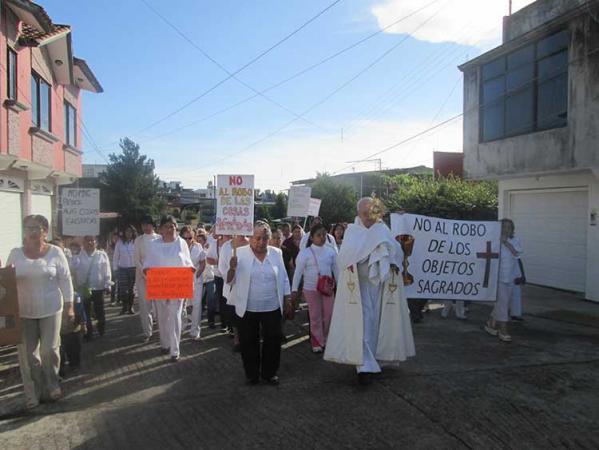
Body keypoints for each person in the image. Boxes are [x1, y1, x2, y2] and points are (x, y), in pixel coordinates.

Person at [324, 198, 415, 386]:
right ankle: (364, 367)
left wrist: (389, 256)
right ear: (358, 213)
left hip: (380, 287)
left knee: (377, 323)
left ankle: (374, 358)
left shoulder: (382, 229)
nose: (367, 217)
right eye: (364, 213)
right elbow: (345, 258)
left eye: (370, 212)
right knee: (362, 323)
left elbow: (396, 252)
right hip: (358, 287)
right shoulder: (353, 231)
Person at [7, 215, 74, 408]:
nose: (33, 231)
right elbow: (7, 281)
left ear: (45, 231)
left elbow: (65, 279)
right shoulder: (15, 254)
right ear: (24, 231)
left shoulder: (55, 252)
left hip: (51, 309)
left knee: (48, 350)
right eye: (29, 228)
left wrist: (69, 306)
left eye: (37, 228)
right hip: (24, 312)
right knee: (29, 356)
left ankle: (52, 386)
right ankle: (33, 394)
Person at [227, 222, 291, 385]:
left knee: (273, 341)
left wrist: (288, 298)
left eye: (265, 238)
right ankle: (252, 374)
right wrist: (232, 269)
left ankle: (269, 373)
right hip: (248, 307)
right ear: (250, 238)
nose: (261, 242)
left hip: (272, 306)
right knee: (248, 342)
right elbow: (229, 281)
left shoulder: (276, 253)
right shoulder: (238, 253)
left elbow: (283, 277)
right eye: (257, 238)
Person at [144, 216, 194, 361]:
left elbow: (188, 263)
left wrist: (189, 273)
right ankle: (165, 344)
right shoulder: (153, 244)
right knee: (162, 316)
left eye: (172, 225)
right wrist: (152, 277)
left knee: (175, 316)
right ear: (161, 229)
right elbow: (147, 265)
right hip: (159, 286)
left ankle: (175, 350)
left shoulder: (182, 242)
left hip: (177, 285)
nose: (170, 228)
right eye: (167, 226)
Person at [291, 223, 338, 353]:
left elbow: (336, 270)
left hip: (328, 289)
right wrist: (294, 289)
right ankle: (317, 342)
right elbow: (298, 272)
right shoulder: (304, 253)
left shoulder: (331, 252)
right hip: (311, 289)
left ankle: (328, 339)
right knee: (315, 316)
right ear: (311, 237)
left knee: (329, 315)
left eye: (324, 234)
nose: (322, 237)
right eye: (318, 235)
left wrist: (340, 287)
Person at [485, 219, 520, 342]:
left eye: (509, 227)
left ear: (512, 229)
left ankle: (490, 323)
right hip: (497, 278)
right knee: (503, 305)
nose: (506, 229)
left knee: (503, 303)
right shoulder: (493, 240)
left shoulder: (515, 240)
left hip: (510, 278)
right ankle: (503, 330)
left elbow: (517, 254)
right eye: (503, 227)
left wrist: (506, 243)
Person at [73, 235, 112, 340]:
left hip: (98, 288)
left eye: (92, 241)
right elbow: (73, 268)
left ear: (96, 242)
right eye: (87, 241)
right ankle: (88, 332)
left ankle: (101, 328)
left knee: (100, 310)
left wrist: (108, 284)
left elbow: (107, 270)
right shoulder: (79, 255)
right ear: (83, 243)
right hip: (84, 288)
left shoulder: (102, 255)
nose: (90, 243)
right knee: (85, 311)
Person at [219, 234, 250, 351]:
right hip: (233, 286)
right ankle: (237, 340)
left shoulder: (251, 244)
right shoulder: (226, 247)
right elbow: (222, 267)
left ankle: (248, 338)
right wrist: (231, 272)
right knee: (235, 314)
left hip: (248, 286)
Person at [134, 216, 160, 342]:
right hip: (142, 277)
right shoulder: (138, 240)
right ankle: (147, 333)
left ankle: (163, 331)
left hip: (158, 278)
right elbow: (137, 260)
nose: (145, 227)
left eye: (147, 224)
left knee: (160, 306)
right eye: (143, 225)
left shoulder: (160, 239)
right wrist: (145, 275)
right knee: (145, 307)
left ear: (152, 225)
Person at [181, 226, 206, 340]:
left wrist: (197, 274)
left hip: (196, 280)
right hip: (181, 280)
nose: (187, 240)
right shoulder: (178, 247)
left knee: (197, 305)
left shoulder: (198, 246)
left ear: (194, 236)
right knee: (182, 305)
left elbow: (202, 263)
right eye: (185, 238)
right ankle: (182, 326)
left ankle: (195, 331)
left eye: (190, 237)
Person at [207, 234, 230, 331]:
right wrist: (219, 262)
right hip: (219, 275)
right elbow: (208, 259)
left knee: (232, 300)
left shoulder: (236, 242)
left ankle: (232, 326)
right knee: (222, 300)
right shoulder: (214, 243)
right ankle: (224, 324)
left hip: (234, 276)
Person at [113, 225, 137, 314]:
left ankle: (130, 307)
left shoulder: (136, 242)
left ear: (133, 232)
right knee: (123, 290)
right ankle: (124, 307)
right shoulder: (119, 243)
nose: (128, 233)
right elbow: (116, 256)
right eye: (127, 231)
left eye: (130, 231)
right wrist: (115, 269)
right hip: (122, 269)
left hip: (133, 268)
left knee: (132, 290)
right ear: (124, 232)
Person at [197, 232, 217, 329]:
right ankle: (197, 319)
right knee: (199, 300)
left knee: (211, 300)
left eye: (200, 241)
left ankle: (211, 321)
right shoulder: (195, 250)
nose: (199, 243)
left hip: (210, 278)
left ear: (205, 241)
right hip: (199, 279)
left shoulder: (209, 249)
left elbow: (214, 261)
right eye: (198, 241)